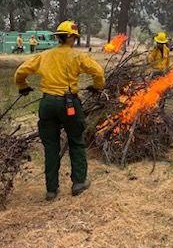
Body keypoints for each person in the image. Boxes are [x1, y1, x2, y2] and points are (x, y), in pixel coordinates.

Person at [14, 20, 105, 201]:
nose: (75, 40)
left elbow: (21, 71)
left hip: (47, 104)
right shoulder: (77, 57)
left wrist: (22, 86)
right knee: (76, 141)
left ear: (59, 37)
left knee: (50, 146)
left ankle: (51, 190)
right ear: (71, 37)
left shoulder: (45, 55)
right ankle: (78, 183)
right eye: (75, 37)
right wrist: (97, 87)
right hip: (68, 104)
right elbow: (98, 73)